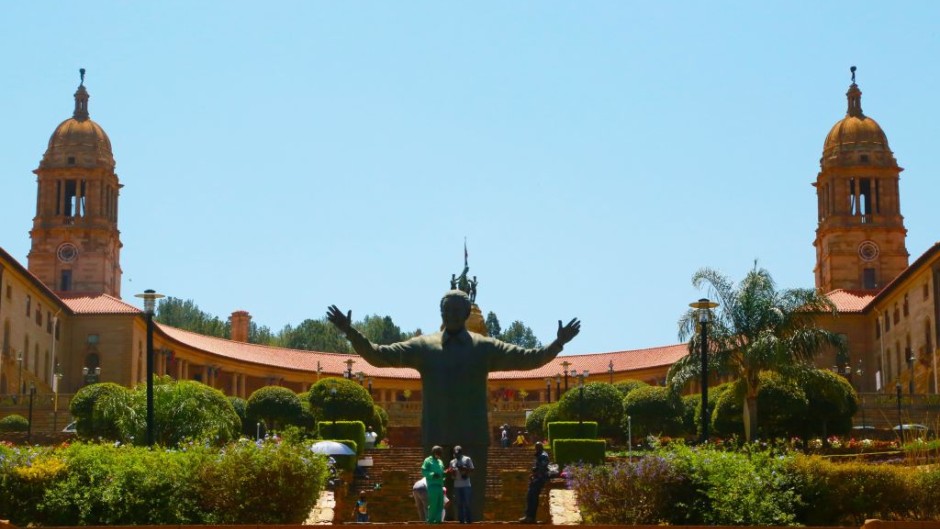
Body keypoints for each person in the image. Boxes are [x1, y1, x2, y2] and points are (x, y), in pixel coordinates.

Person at [327, 289, 580, 521]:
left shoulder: (484, 347)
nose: (451, 315)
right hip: (436, 436)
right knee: (435, 508)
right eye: (446, 310)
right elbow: (377, 355)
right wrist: (350, 332)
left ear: (467, 313)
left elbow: (530, 358)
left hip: (473, 438)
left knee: (471, 509)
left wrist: (557, 344)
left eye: (457, 310)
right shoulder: (423, 347)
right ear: (441, 313)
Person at [520, 442, 551, 523]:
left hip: (539, 479)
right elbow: (539, 467)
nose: (535, 449)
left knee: (532, 497)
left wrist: (535, 475)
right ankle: (529, 516)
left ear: (539, 448)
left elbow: (542, 468)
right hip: (537, 478)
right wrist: (534, 473)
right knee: (530, 497)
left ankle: (530, 517)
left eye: (536, 447)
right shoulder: (541, 455)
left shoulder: (543, 455)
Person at [449, 445, 474, 523]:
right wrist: (452, 472)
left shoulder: (467, 459)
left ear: (461, 452)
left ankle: (469, 520)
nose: (456, 455)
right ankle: (461, 521)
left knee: (466, 503)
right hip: (457, 485)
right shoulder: (452, 462)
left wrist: (464, 469)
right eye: (455, 453)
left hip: (466, 484)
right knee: (459, 504)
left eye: (458, 453)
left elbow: (472, 469)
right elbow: (451, 473)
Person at [421, 445, 446, 524]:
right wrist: (432, 474)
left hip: (440, 486)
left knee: (440, 505)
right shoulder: (428, 460)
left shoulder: (440, 462)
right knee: (433, 504)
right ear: (434, 452)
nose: (439, 455)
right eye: (438, 453)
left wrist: (445, 473)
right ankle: (431, 522)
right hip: (432, 486)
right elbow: (424, 471)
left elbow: (442, 473)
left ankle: (438, 521)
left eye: (440, 453)